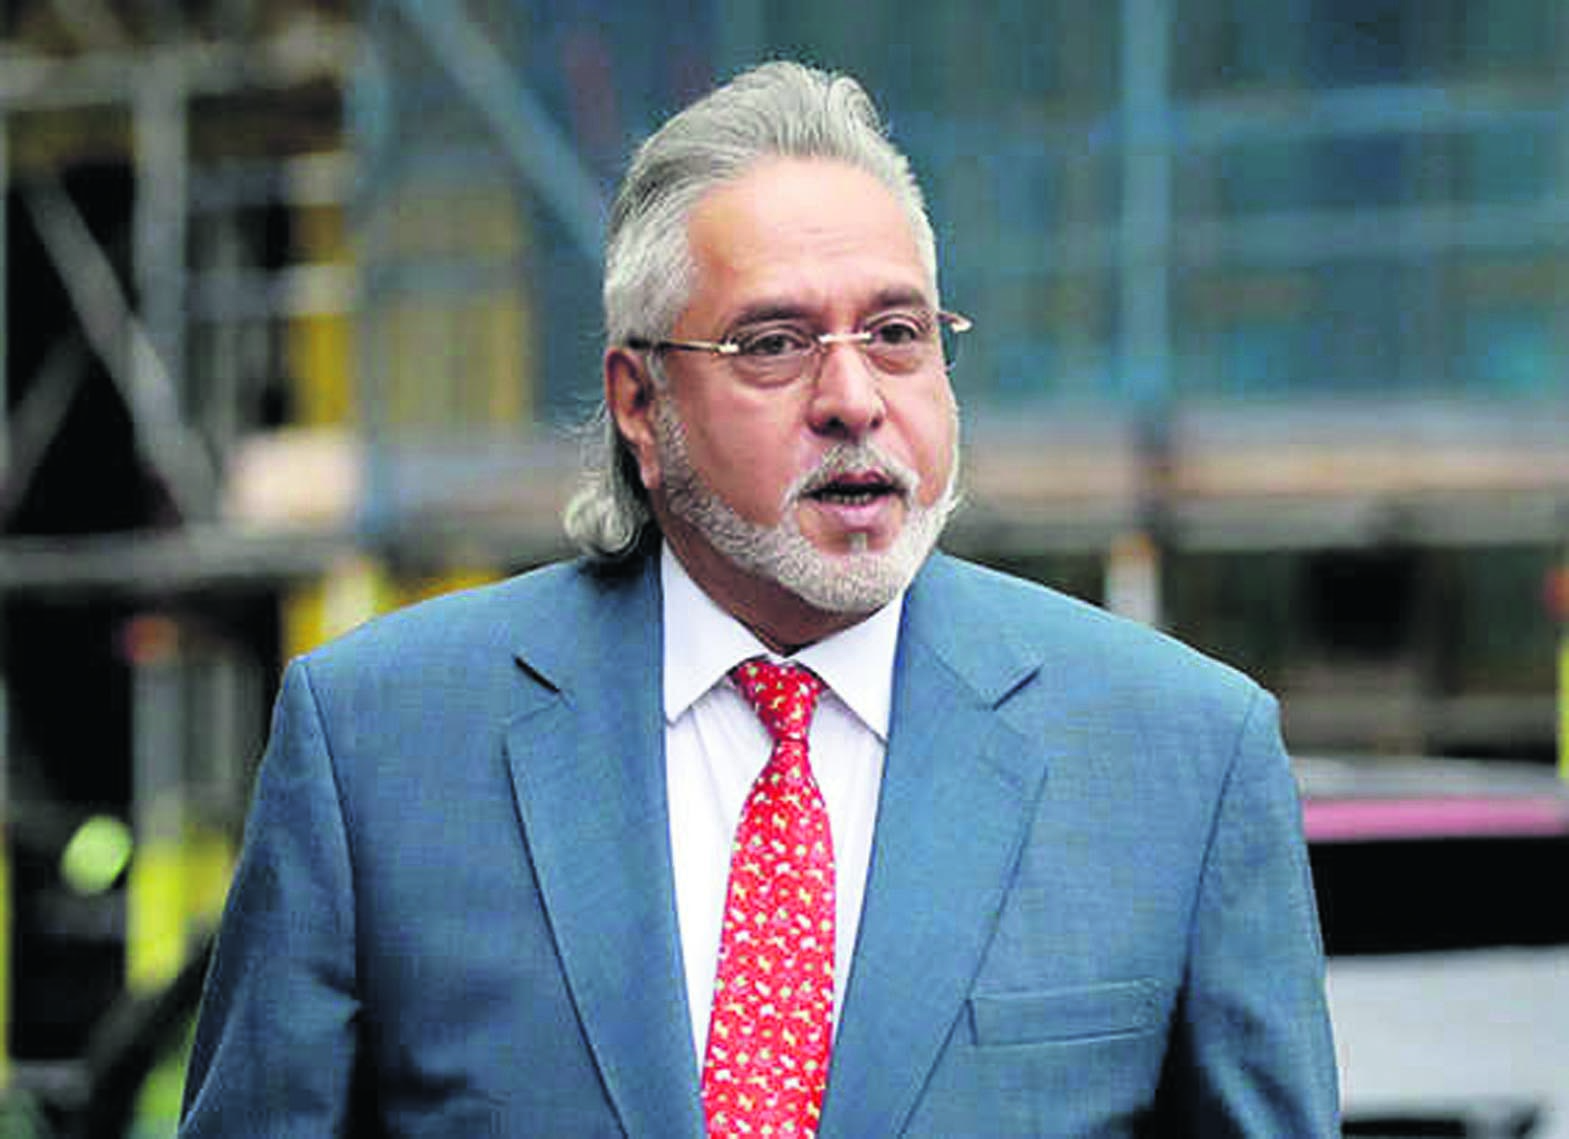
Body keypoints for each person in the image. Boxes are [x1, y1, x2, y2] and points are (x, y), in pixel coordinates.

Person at [179, 61, 1338, 1137]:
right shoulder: (379, 744)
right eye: (775, 343)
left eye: (897, 333)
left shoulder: (1182, 756)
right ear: (640, 401)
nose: (853, 398)